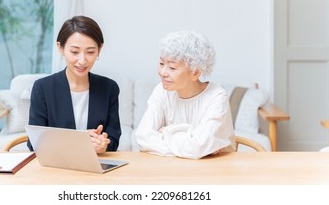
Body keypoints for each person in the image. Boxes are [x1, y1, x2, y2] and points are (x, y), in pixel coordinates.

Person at [27, 15, 121, 153]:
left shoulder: (109, 88)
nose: (82, 61)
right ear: (61, 48)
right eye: (74, 52)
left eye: (90, 52)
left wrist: (104, 144)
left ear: (99, 50)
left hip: (96, 165)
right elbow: (34, 143)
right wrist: (80, 141)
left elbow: (113, 139)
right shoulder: (43, 88)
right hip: (57, 165)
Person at [135, 30, 235, 159]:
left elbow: (199, 146)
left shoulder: (217, 97)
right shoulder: (161, 91)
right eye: (161, 64)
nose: (162, 72)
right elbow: (143, 137)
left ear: (195, 73)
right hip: (172, 170)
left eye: (172, 68)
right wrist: (193, 147)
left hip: (213, 170)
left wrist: (166, 132)